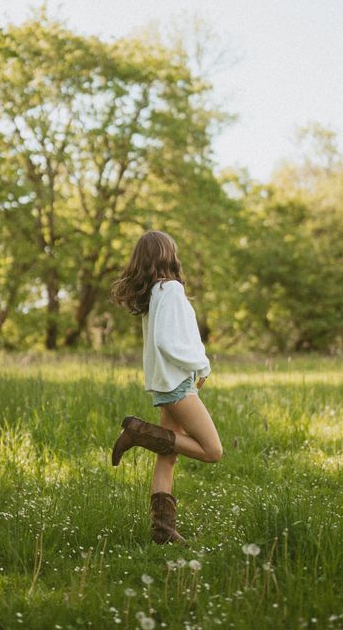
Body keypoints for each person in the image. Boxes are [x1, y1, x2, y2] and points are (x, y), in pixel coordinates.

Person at [109, 230, 223, 546]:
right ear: (166, 255)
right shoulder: (170, 289)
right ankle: (139, 432)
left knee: (168, 455)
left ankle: (162, 531)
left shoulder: (155, 294)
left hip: (166, 384)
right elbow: (168, 342)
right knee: (213, 451)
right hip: (177, 385)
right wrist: (202, 364)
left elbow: (163, 340)